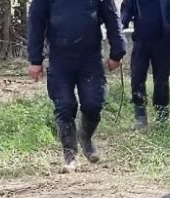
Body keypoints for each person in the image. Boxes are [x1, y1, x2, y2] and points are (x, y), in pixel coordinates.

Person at [27, 0, 127, 173]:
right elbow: (36, 23)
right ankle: (70, 155)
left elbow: (112, 18)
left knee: (94, 104)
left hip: (90, 58)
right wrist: (35, 60)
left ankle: (85, 137)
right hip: (60, 58)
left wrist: (117, 52)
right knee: (64, 105)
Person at [121, 0, 170, 129]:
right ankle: (140, 118)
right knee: (136, 79)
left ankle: (162, 118)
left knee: (161, 81)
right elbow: (126, 10)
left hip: (163, 41)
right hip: (141, 41)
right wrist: (119, 27)